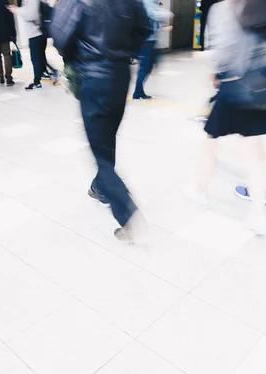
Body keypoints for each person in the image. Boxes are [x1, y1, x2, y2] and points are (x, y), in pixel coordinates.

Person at [185, 0, 266, 236]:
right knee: (254, 152)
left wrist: (216, 73)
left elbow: (223, 50)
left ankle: (199, 190)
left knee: (210, 140)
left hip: (233, 86)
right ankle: (258, 214)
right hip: (260, 87)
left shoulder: (225, 8)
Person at [52, 0, 152, 242]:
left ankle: (128, 218)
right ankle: (100, 188)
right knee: (107, 136)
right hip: (120, 76)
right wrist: (123, 52)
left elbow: (60, 36)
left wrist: (77, 57)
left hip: (92, 77)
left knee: (100, 153)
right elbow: (145, 28)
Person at [132, 0, 173, 100]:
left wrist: (162, 27)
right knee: (144, 67)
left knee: (148, 66)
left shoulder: (153, 2)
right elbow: (152, 14)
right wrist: (167, 13)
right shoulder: (148, 2)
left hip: (151, 39)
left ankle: (139, 91)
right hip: (147, 40)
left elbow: (152, 19)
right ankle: (137, 93)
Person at [19, 0, 47, 91]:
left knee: (35, 58)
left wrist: (17, 10)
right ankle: (44, 73)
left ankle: (37, 82)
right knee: (40, 56)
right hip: (39, 31)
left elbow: (31, 15)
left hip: (35, 33)